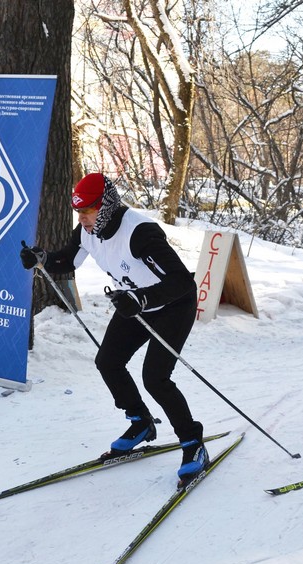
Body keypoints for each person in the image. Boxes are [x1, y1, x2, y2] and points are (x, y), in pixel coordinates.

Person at [20, 173, 208, 486]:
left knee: (155, 378)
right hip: (133, 304)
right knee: (108, 361)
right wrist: (42, 258)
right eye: (78, 213)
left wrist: (143, 298)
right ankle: (140, 422)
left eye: (87, 212)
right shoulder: (88, 230)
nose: (82, 219)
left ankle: (193, 443)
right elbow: (67, 260)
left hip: (172, 306)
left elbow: (182, 282)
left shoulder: (140, 233)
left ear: (105, 207)